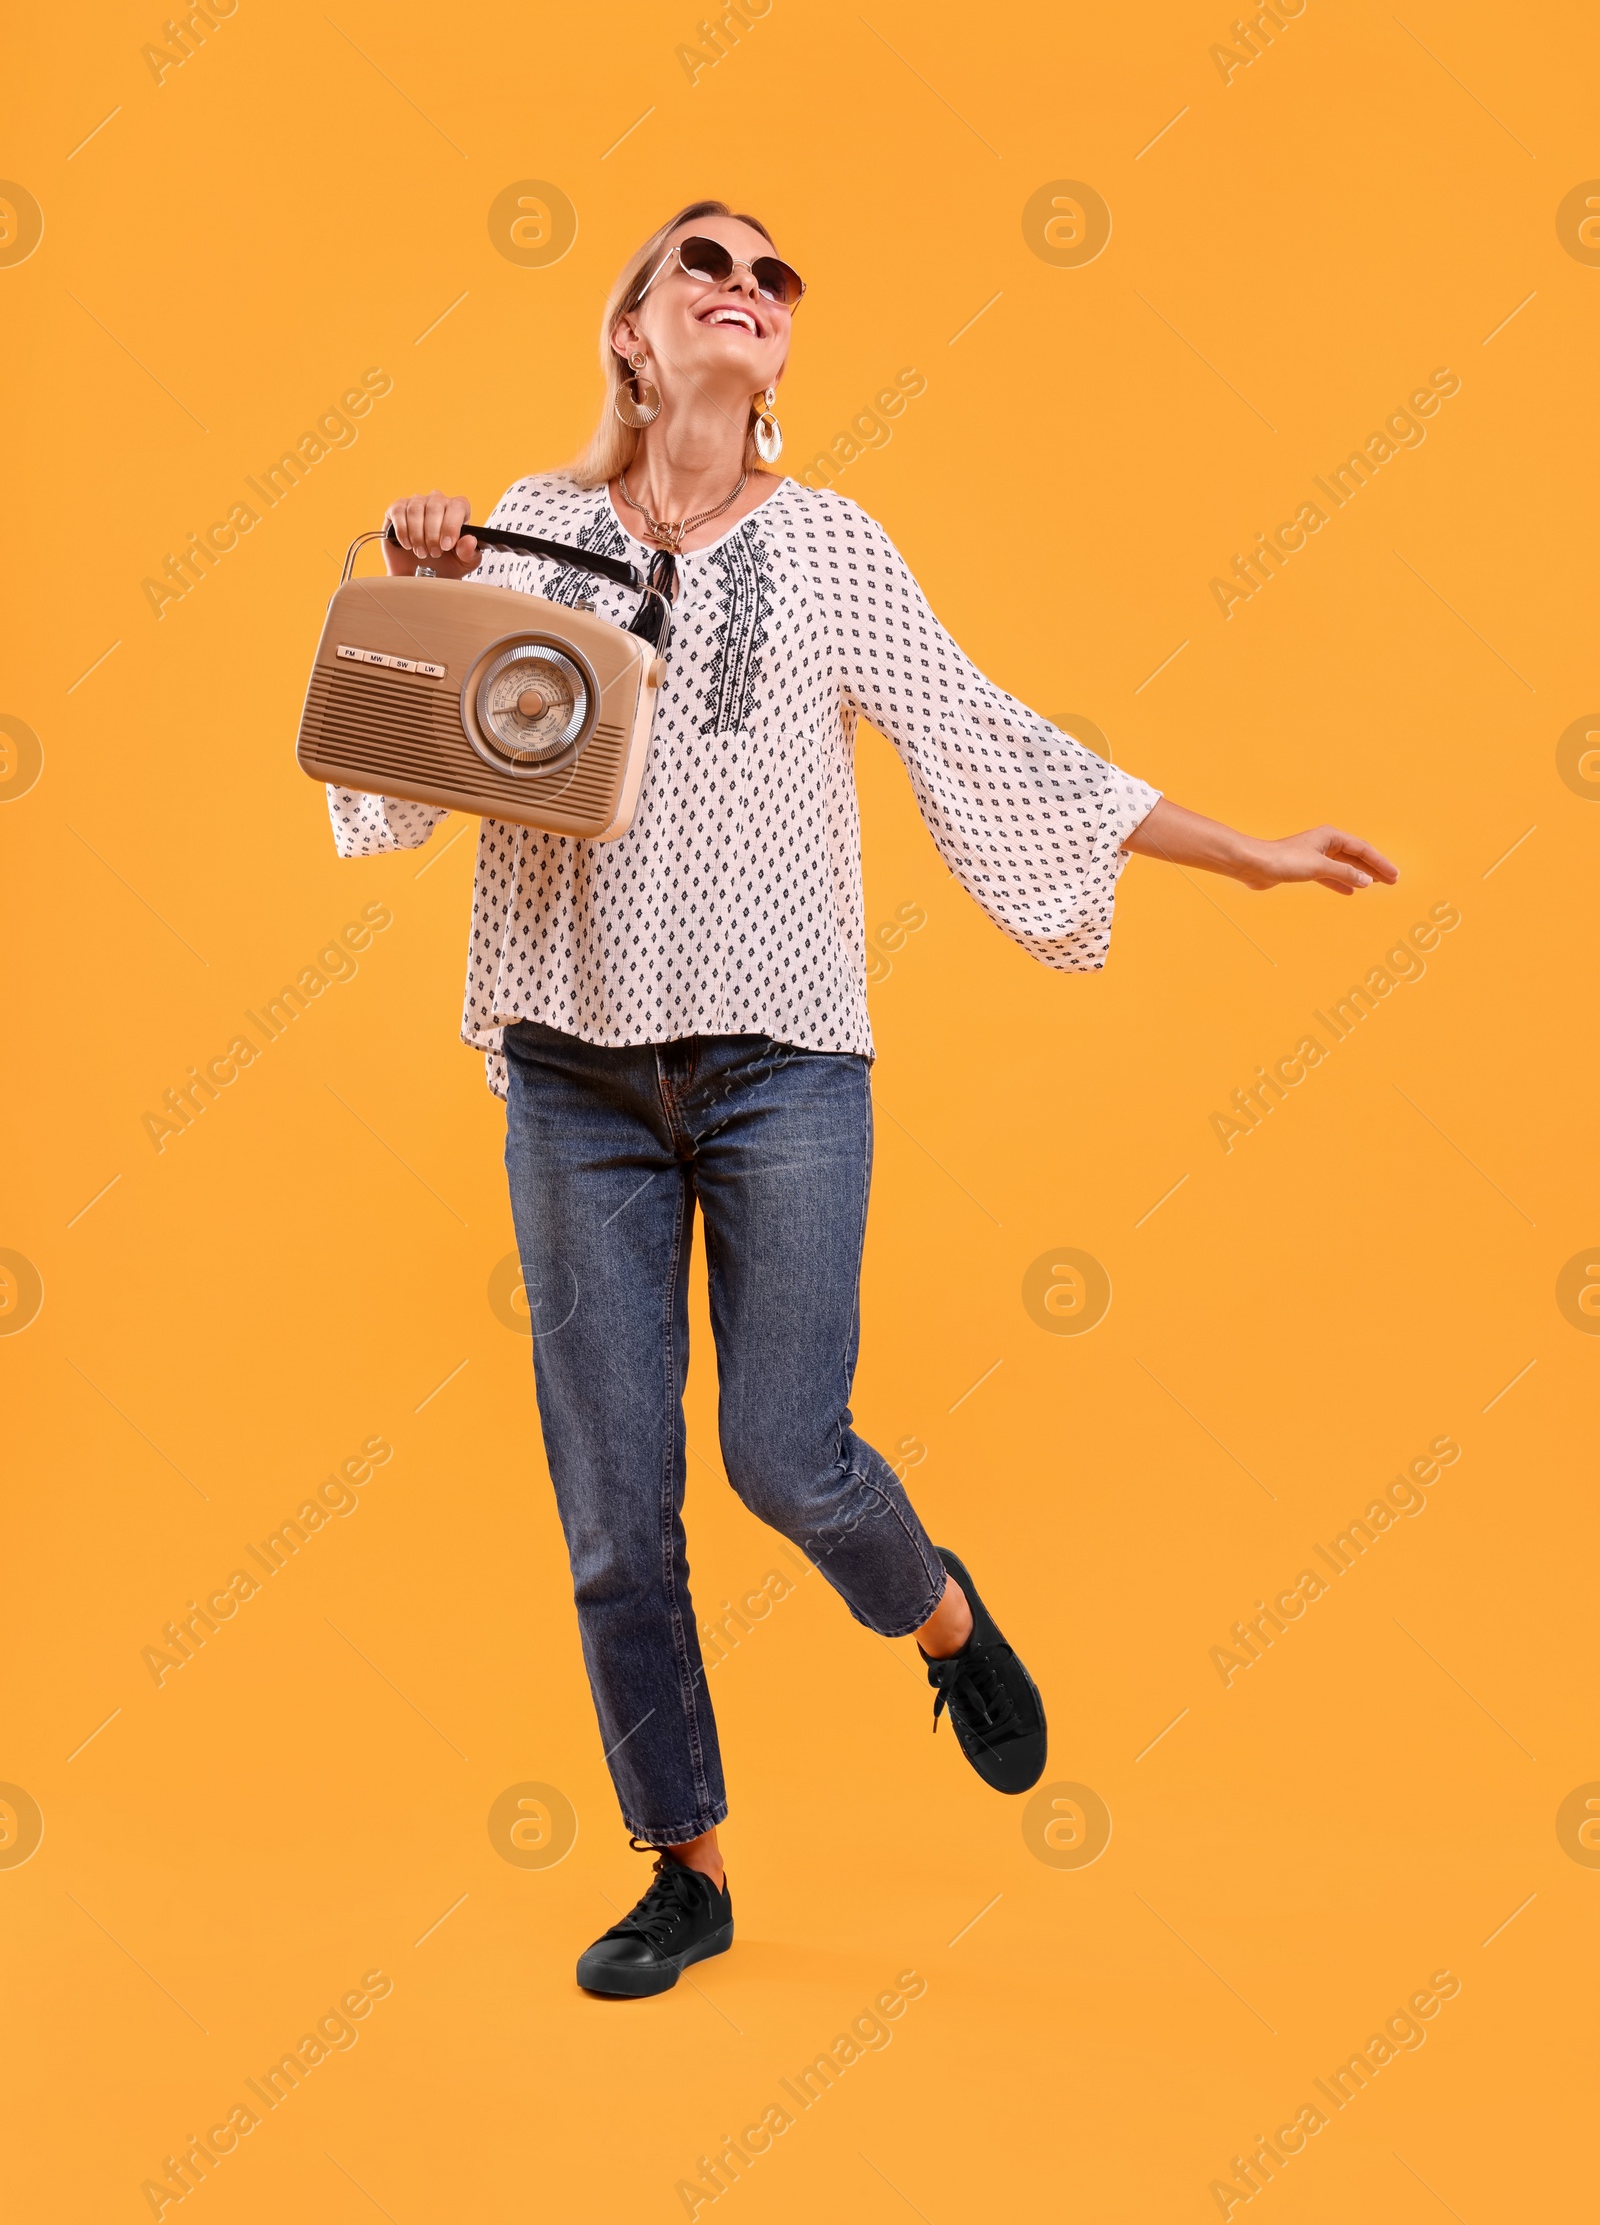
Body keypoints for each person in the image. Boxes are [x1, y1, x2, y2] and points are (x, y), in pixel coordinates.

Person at [326, 198, 1397, 2000]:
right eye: (707, 268)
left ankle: (944, 1618)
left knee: (784, 1455)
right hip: (570, 1069)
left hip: (783, 1068)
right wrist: (430, 583)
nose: (748, 293)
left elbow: (990, 736)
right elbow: (402, 772)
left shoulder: (830, 548)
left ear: (780, 351)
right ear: (635, 335)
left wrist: (1248, 857)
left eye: (774, 278)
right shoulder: (538, 528)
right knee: (613, 1505)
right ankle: (688, 1869)